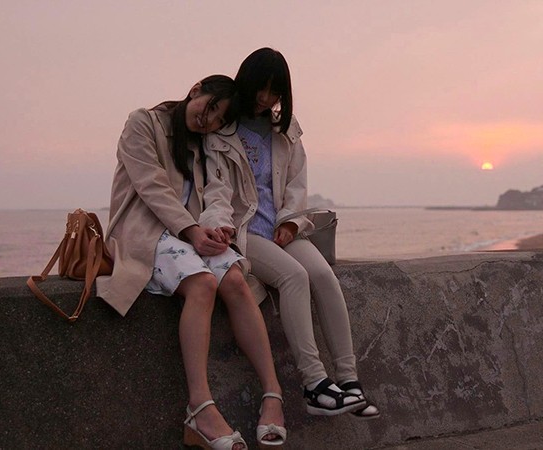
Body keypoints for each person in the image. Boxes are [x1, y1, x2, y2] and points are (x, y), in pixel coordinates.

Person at [96, 75, 286, 449]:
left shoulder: (205, 143)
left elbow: (217, 193)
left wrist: (218, 227)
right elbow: (151, 186)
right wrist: (192, 230)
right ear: (196, 89)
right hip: (145, 233)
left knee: (235, 278)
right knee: (202, 283)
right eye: (211, 107)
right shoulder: (143, 122)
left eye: (219, 119)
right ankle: (200, 409)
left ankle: (273, 394)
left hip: (192, 234)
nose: (209, 120)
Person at [200, 48, 380, 419]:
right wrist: (219, 225)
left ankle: (349, 381)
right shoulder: (222, 133)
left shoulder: (286, 130)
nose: (266, 98)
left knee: (323, 276)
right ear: (246, 82)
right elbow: (215, 191)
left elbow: (296, 185)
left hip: (282, 228)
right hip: (245, 231)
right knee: (294, 277)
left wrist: (290, 223)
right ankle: (314, 384)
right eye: (261, 88)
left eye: (275, 91)